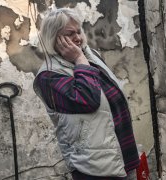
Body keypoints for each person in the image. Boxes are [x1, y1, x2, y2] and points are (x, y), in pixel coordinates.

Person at [33, 8, 140, 180]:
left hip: (122, 155)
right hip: (94, 167)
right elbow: (88, 100)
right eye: (70, 34)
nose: (78, 37)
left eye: (78, 31)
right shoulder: (48, 76)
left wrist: (82, 59)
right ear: (53, 38)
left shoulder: (92, 56)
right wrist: (80, 61)